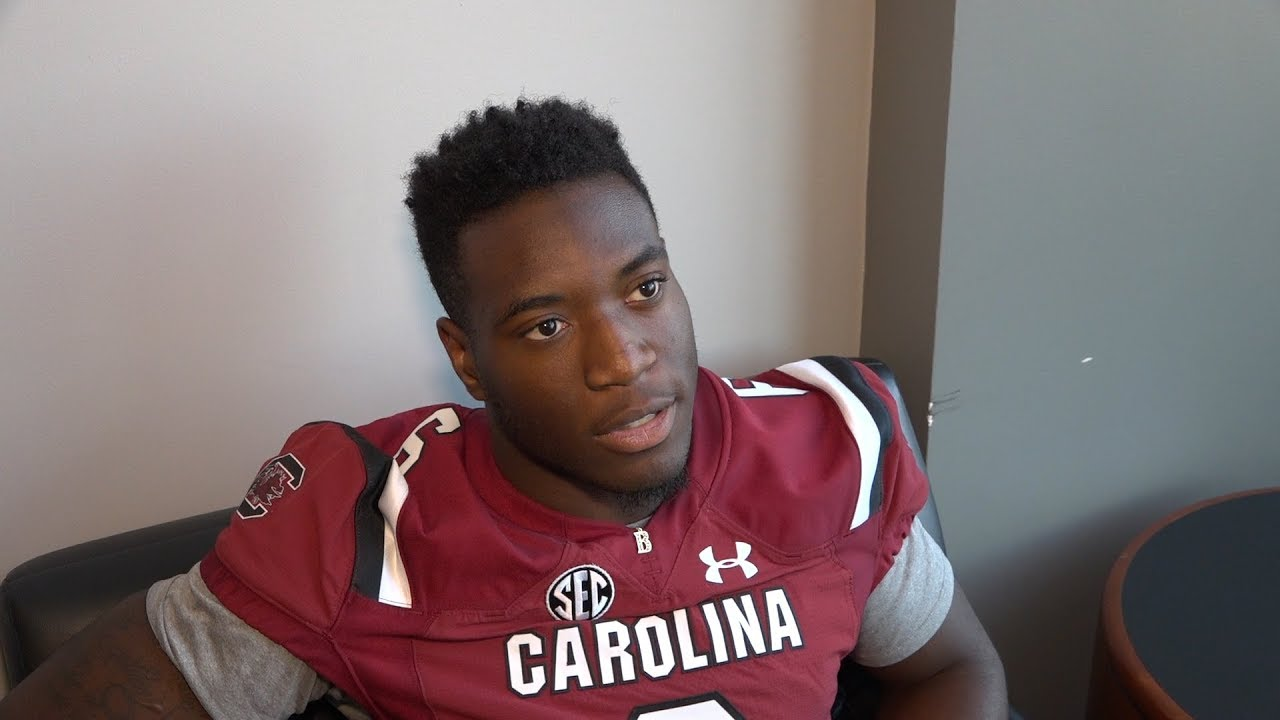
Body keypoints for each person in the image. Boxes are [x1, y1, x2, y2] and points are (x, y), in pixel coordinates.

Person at [0, 97, 1007, 719]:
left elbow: (951, 669)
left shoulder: (821, 446)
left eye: (644, 287)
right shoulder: (364, 529)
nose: (624, 360)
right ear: (465, 358)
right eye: (542, 326)